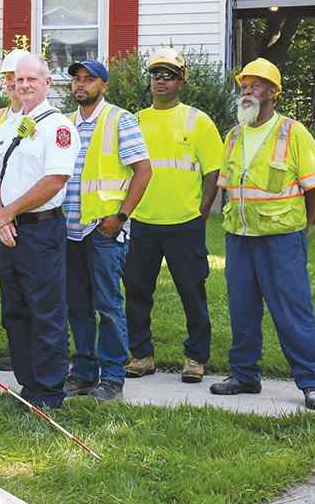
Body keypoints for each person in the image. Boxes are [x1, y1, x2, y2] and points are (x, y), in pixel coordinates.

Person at [211, 58, 315, 411]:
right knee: (242, 309)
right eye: (244, 85)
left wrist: (304, 226)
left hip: (282, 239)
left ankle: (312, 382)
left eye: (257, 85)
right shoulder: (232, 135)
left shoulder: (294, 132)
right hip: (239, 237)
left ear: (273, 93)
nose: (248, 90)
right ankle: (245, 375)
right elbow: (226, 187)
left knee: (292, 309)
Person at [122, 49, 223, 383]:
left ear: (182, 81)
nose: (160, 80)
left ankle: (195, 358)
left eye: (168, 74)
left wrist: (202, 213)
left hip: (184, 224)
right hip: (143, 222)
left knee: (192, 291)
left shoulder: (198, 121)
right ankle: (141, 355)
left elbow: (213, 172)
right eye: (155, 74)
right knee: (136, 290)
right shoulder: (134, 121)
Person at [0, 55, 76, 408]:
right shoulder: (9, 123)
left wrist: (7, 214)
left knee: (46, 312)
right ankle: (28, 387)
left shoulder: (58, 127)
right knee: (15, 311)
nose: (23, 85)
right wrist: (1, 217)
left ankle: (50, 391)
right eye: (17, 79)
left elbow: (55, 180)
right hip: (6, 231)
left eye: (30, 79)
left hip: (39, 232)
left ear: (47, 82)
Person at [63, 58, 152, 404]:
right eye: (77, 79)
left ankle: (113, 375)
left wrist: (121, 216)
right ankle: (84, 371)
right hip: (69, 230)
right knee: (77, 306)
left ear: (104, 86)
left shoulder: (120, 119)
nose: (81, 84)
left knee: (108, 305)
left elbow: (142, 171)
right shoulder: (65, 124)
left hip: (103, 232)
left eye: (89, 79)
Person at [0, 48, 30, 372]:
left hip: (31, 218)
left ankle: (37, 350)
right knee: (10, 289)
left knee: (35, 290)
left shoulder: (41, 116)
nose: (13, 84)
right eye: (9, 78)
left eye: (19, 78)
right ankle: (18, 350)